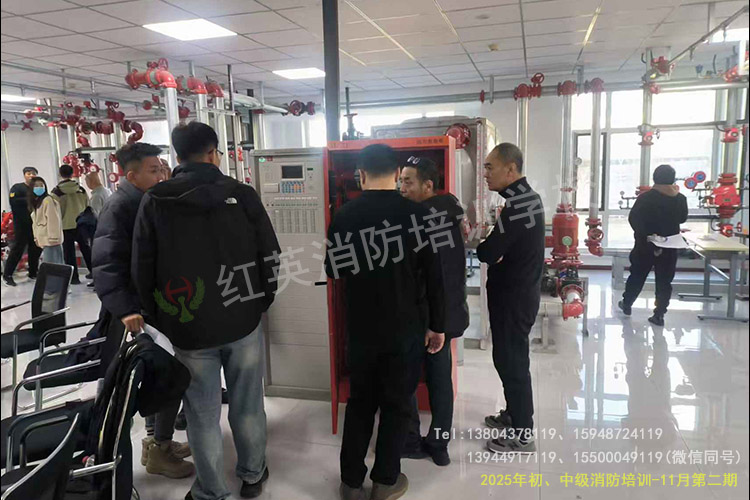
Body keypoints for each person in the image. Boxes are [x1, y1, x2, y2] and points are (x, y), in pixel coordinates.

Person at [132, 122, 280, 500]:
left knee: (200, 413)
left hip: (189, 327)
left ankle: (212, 491)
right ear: (214, 152)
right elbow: (269, 254)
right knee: (248, 404)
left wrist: (163, 318)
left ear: (176, 156)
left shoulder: (155, 200)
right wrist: (261, 301)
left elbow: (142, 267)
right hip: (242, 318)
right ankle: (252, 474)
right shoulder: (242, 194)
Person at [326, 144, 445, 500]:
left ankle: (350, 482)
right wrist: (437, 325)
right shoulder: (419, 215)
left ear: (361, 175)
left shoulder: (345, 215)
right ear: (396, 175)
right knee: (396, 405)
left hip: (362, 329)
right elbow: (435, 277)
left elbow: (333, 268)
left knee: (360, 404)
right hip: (405, 329)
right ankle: (385, 482)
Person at [92, 142, 194, 479]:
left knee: (158, 373)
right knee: (167, 375)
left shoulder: (145, 200)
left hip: (157, 303)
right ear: (131, 175)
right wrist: (125, 309)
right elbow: (106, 263)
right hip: (140, 311)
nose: (160, 175)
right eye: (153, 171)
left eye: (162, 169)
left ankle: (156, 442)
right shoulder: (121, 207)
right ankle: (159, 448)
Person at [398, 156, 469, 467]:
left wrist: (433, 324)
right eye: (400, 180)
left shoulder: (425, 218)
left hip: (428, 317)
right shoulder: (447, 208)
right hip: (446, 312)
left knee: (410, 379)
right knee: (440, 381)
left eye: (408, 181)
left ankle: (412, 441)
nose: (401, 187)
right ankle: (439, 445)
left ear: (428, 185)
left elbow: (435, 273)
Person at [478, 143, 544, 454]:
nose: (485, 173)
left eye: (490, 167)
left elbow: (488, 252)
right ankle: (513, 414)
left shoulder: (519, 205)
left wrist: (484, 242)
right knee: (507, 359)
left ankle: (523, 434)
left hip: (514, 298)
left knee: (512, 362)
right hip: (517, 293)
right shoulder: (525, 199)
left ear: (511, 169)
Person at [619, 164, 688, 326]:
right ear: (673, 179)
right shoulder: (680, 198)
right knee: (664, 281)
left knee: (637, 275)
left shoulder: (646, 197)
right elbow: (682, 218)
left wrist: (646, 235)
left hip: (646, 245)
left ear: (655, 178)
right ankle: (659, 314)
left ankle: (627, 303)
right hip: (670, 245)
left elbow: (634, 219)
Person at [52, 164, 92, 284]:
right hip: (81, 224)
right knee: (86, 250)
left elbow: (54, 211)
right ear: (72, 174)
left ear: (60, 174)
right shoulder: (81, 189)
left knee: (69, 253)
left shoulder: (56, 192)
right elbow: (87, 205)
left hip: (65, 226)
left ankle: (74, 278)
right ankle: (95, 273)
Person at [3, 166, 42, 286]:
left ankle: (33, 273)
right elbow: (13, 201)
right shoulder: (17, 187)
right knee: (18, 249)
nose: (31, 175)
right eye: (28, 173)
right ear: (24, 175)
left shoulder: (38, 189)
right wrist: (31, 199)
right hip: (21, 224)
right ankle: (7, 275)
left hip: (35, 224)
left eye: (33, 173)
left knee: (35, 248)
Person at [28, 176, 64, 264]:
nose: (39, 187)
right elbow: (35, 223)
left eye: (41, 185)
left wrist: (53, 237)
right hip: (44, 240)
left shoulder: (48, 200)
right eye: (36, 186)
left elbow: (53, 220)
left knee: (52, 265)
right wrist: (36, 238)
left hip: (51, 240)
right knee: (51, 265)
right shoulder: (37, 202)